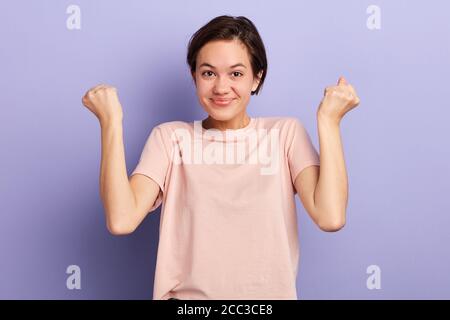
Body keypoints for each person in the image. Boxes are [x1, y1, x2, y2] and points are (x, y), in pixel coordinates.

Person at [82, 15, 360, 300]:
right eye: (208, 73)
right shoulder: (171, 139)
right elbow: (121, 219)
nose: (221, 88)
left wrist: (329, 121)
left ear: (257, 77)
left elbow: (330, 216)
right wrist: (111, 121)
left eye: (236, 74)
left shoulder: (284, 135)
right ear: (194, 77)